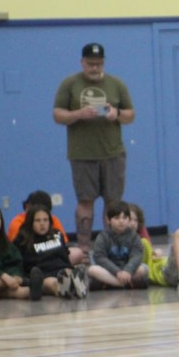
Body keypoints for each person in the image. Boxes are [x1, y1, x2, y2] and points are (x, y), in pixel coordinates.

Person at [53, 43, 136, 256]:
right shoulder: (69, 84)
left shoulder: (117, 84)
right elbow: (57, 114)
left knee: (113, 203)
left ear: (104, 63)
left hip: (113, 153)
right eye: (90, 64)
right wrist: (78, 114)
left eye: (98, 64)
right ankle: (83, 249)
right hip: (82, 155)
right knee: (85, 202)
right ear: (82, 62)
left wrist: (115, 114)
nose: (94, 68)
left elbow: (130, 115)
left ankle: (111, 250)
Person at [14, 204, 88, 299]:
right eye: (38, 220)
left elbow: (65, 256)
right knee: (51, 282)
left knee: (69, 272)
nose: (42, 224)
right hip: (43, 274)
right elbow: (19, 262)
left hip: (61, 270)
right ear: (30, 222)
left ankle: (76, 285)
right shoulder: (23, 239)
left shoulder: (57, 234)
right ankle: (66, 291)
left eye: (45, 220)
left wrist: (69, 268)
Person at [6, 190, 86, 266]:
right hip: (32, 257)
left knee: (77, 253)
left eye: (45, 217)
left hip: (52, 255)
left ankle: (59, 269)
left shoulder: (53, 219)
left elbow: (63, 244)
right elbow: (19, 251)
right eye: (37, 219)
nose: (42, 222)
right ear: (27, 207)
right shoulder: (17, 223)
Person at [86, 201, 148, 290]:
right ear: (108, 220)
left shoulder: (134, 237)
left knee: (143, 269)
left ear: (128, 219)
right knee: (92, 269)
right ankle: (124, 284)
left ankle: (111, 283)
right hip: (109, 270)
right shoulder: (103, 236)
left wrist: (127, 270)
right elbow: (100, 257)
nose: (121, 221)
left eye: (125, 218)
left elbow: (136, 256)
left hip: (128, 270)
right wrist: (117, 272)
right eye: (117, 218)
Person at [0, 205, 36, 300]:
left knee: (16, 289)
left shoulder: (5, 241)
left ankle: (32, 291)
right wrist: (4, 276)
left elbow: (16, 261)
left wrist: (16, 276)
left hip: (9, 279)